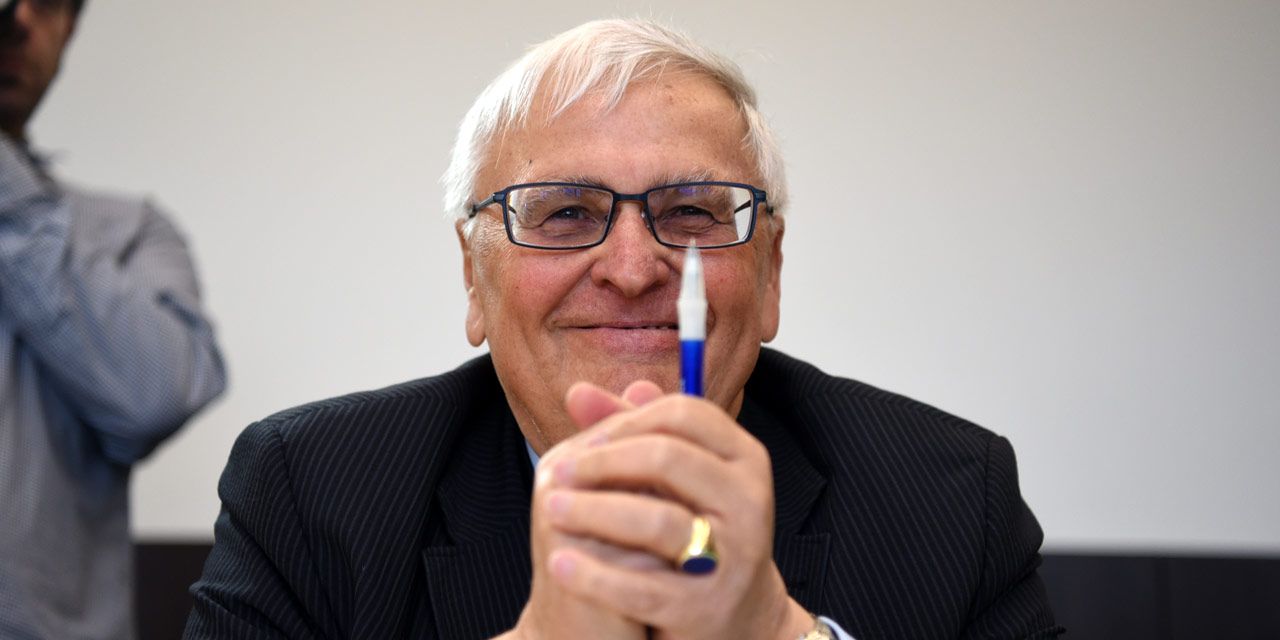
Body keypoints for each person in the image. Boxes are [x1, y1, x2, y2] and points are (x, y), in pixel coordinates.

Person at [186, 18, 1060, 640]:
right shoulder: (310, 493)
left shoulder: (950, 502)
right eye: (565, 212)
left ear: (770, 274)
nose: (635, 268)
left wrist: (777, 636)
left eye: (692, 212)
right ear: (474, 279)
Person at [0, 0, 227, 637]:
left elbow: (154, 396)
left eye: (45, 3)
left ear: (68, 30)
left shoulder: (129, 232)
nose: (17, 20)